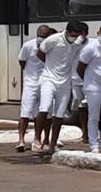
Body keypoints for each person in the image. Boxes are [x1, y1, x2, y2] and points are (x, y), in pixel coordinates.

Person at [33, 20, 87, 154]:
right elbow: (40, 53)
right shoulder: (53, 40)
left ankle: (52, 144)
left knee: (59, 115)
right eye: (73, 35)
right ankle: (37, 138)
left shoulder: (78, 43)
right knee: (44, 108)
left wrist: (82, 36)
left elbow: (85, 41)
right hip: (48, 80)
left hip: (65, 83)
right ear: (67, 32)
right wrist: (50, 66)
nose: (74, 38)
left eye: (77, 35)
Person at [76, 24, 101, 153]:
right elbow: (80, 67)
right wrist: (88, 81)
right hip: (94, 87)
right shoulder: (90, 48)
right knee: (93, 117)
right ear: (98, 33)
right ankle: (94, 144)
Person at [15, 25, 52, 152]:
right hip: (30, 83)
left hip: (45, 82)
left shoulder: (51, 46)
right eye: (41, 36)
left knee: (45, 112)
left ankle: (43, 139)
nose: (42, 39)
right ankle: (21, 140)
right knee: (25, 112)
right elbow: (22, 61)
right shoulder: (28, 45)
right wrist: (29, 73)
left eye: (45, 36)